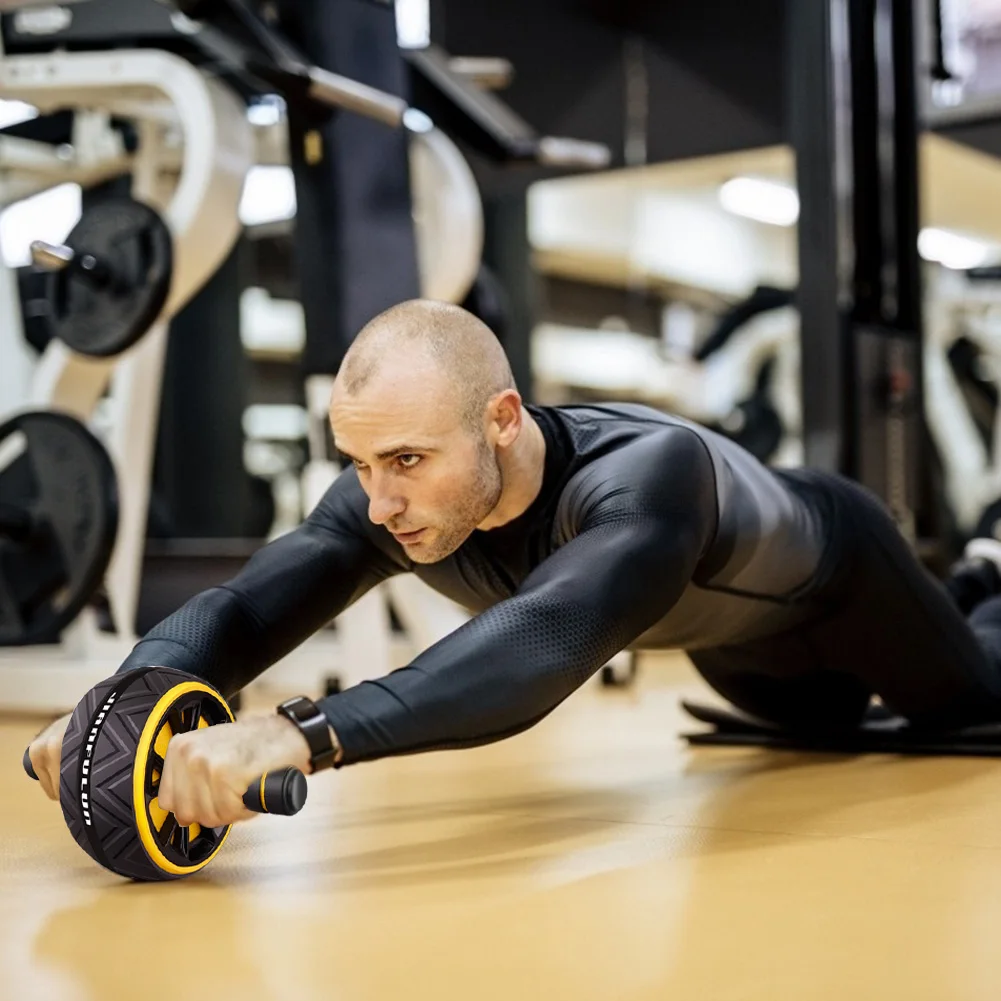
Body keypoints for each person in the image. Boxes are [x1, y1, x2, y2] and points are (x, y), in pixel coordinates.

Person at [26, 299, 1001, 829]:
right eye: (360, 464)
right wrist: (122, 698)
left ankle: (981, 572)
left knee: (963, 690)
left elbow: (538, 644)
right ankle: (965, 582)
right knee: (813, 722)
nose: (380, 500)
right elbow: (248, 606)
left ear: (502, 418)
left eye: (406, 458)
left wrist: (297, 732)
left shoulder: (642, 477)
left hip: (842, 575)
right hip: (743, 648)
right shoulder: (385, 504)